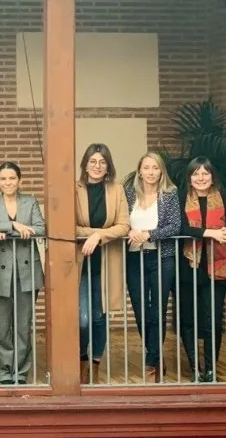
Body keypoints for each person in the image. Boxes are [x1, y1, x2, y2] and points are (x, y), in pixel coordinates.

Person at [177, 157, 226, 383]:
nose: (201, 178)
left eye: (205, 173)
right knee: (187, 319)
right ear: (189, 178)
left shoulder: (224, 196)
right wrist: (210, 233)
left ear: (212, 176)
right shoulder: (181, 197)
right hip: (187, 267)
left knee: (212, 320)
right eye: (196, 173)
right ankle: (194, 368)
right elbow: (179, 227)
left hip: (217, 268)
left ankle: (210, 369)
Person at [0, 161, 44, 385]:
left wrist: (2, 231)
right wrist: (12, 226)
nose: (8, 182)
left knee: (23, 325)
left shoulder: (30, 202)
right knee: (1, 326)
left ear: (19, 180)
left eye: (12, 178)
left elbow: (41, 228)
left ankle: (21, 372)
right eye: (4, 179)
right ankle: (4, 371)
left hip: (27, 271)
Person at [123, 152, 180, 383]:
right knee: (140, 309)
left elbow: (175, 225)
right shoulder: (129, 194)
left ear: (161, 171)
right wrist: (129, 231)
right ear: (139, 171)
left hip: (161, 258)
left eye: (155, 168)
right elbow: (121, 221)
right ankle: (155, 354)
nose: (151, 172)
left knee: (157, 309)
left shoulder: (170, 194)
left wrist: (149, 234)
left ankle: (152, 360)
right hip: (134, 258)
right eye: (146, 167)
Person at [75, 143, 129, 384]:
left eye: (102, 162)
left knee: (100, 317)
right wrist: (95, 233)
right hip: (80, 263)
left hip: (106, 262)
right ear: (85, 164)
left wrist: (98, 236)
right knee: (83, 319)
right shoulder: (74, 189)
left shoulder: (117, 190)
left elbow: (124, 225)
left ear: (108, 166)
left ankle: (95, 364)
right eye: (93, 161)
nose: (97, 166)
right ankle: (81, 360)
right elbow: (68, 226)